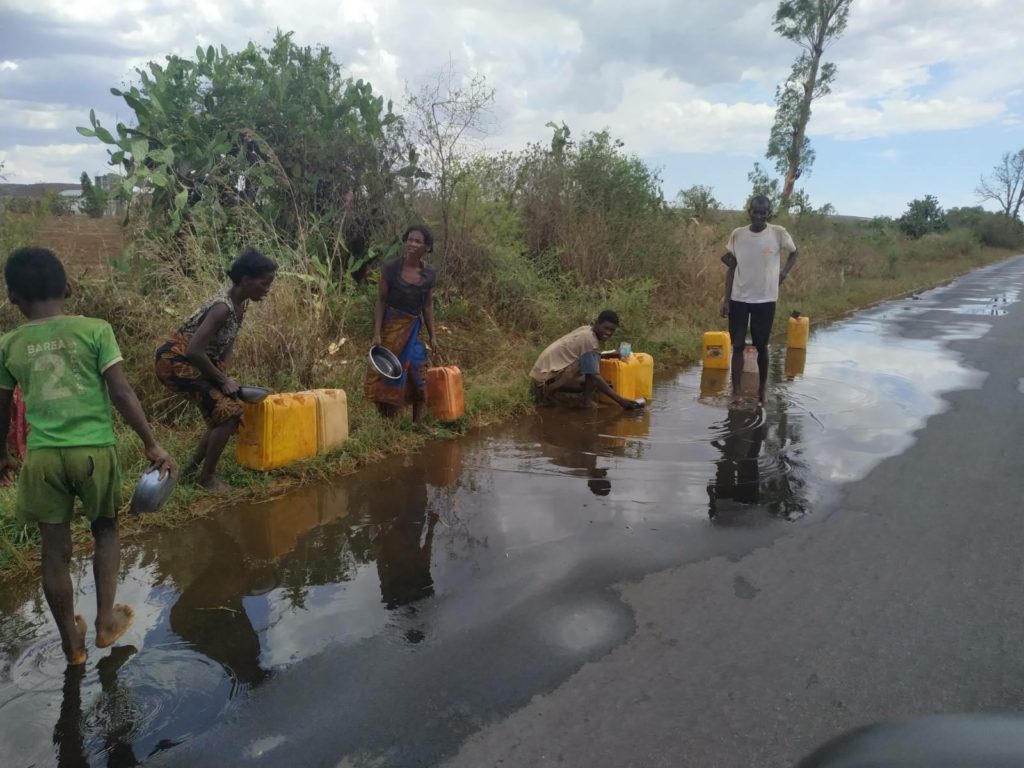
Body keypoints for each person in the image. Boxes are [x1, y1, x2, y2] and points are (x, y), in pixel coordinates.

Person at [0, 246, 176, 666]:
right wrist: (152, 443)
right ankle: (103, 623)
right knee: (107, 531)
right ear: (67, 286)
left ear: (12, 297)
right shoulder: (96, 330)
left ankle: (70, 642)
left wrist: (4, 455)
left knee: (54, 552)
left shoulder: (9, 343)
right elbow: (120, 391)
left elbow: (2, 410)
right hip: (94, 453)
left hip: (43, 459)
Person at [155, 248, 277, 490]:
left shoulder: (241, 305)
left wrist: (223, 373)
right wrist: (222, 380)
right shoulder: (222, 307)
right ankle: (206, 479)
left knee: (220, 412)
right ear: (245, 280)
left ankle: (190, 471)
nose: (267, 290)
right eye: (264, 284)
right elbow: (193, 350)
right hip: (174, 362)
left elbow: (228, 342)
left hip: (194, 362)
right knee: (229, 415)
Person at [720, 195, 799, 404]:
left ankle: (762, 389)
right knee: (737, 345)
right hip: (739, 298)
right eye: (755, 211)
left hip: (765, 299)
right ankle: (736, 390)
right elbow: (731, 267)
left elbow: (794, 252)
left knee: (761, 346)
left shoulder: (778, 233)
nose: (759, 216)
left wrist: (783, 274)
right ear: (750, 212)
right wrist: (725, 299)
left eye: (763, 213)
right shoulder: (738, 235)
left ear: (768, 213)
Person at [365, 225, 438, 424]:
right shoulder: (391, 268)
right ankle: (386, 422)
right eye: (410, 240)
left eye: (418, 241)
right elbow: (380, 301)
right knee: (387, 372)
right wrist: (377, 333)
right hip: (391, 327)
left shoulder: (429, 274)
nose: (412, 244)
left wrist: (433, 335)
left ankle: (418, 422)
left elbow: (427, 305)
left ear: (427, 248)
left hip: (414, 329)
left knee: (418, 370)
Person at [529, 309, 643, 410]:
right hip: (544, 380)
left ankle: (583, 400)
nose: (608, 333)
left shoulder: (586, 330)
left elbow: (587, 354)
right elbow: (594, 375)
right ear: (597, 323)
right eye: (606, 328)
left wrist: (608, 355)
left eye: (612, 330)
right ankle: (584, 402)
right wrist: (621, 401)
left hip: (540, 375)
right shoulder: (590, 341)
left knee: (593, 376)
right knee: (593, 375)